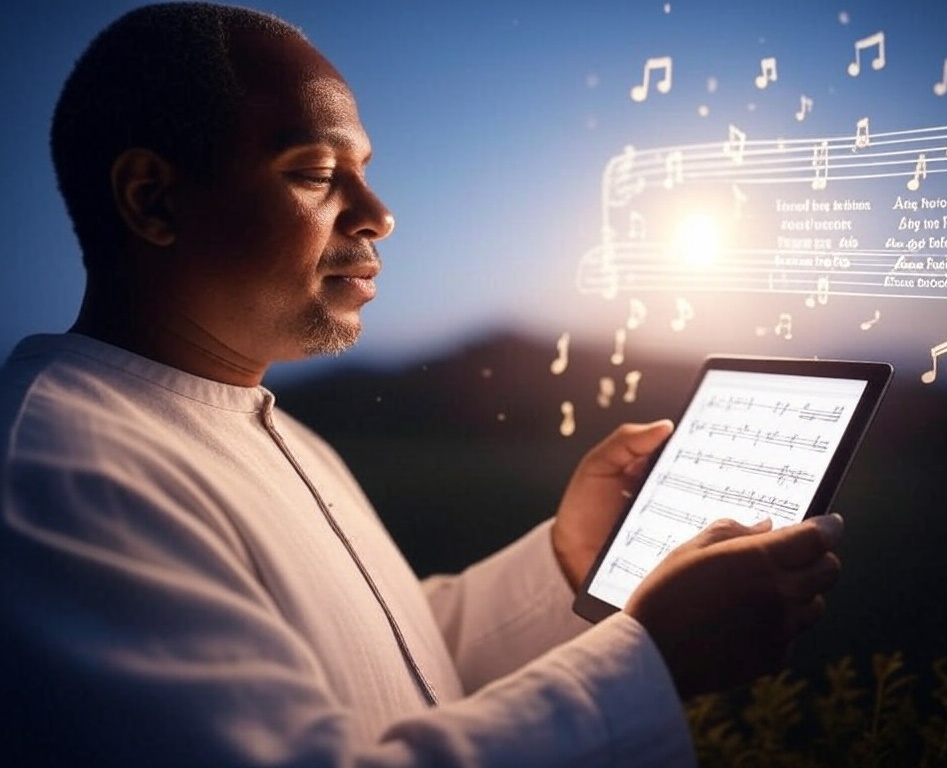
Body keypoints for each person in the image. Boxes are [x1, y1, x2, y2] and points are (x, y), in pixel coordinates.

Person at [0, 3, 844, 766]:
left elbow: (393, 671)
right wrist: (652, 658)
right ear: (152, 201)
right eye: (315, 171)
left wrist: (565, 564)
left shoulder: (285, 436)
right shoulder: (62, 472)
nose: (378, 212)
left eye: (362, 168)